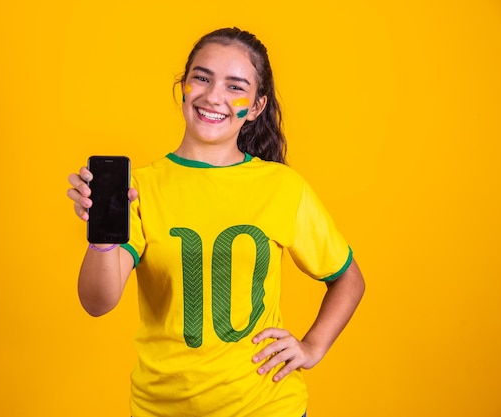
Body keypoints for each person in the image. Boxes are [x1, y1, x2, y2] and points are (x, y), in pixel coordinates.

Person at [67, 27, 365, 417]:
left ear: (256, 107)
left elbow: (348, 278)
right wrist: (101, 236)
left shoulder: (281, 187)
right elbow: (97, 302)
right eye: (202, 78)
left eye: (234, 86)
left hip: (267, 407)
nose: (213, 96)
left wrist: (312, 347)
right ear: (184, 87)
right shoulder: (139, 189)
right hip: (161, 409)